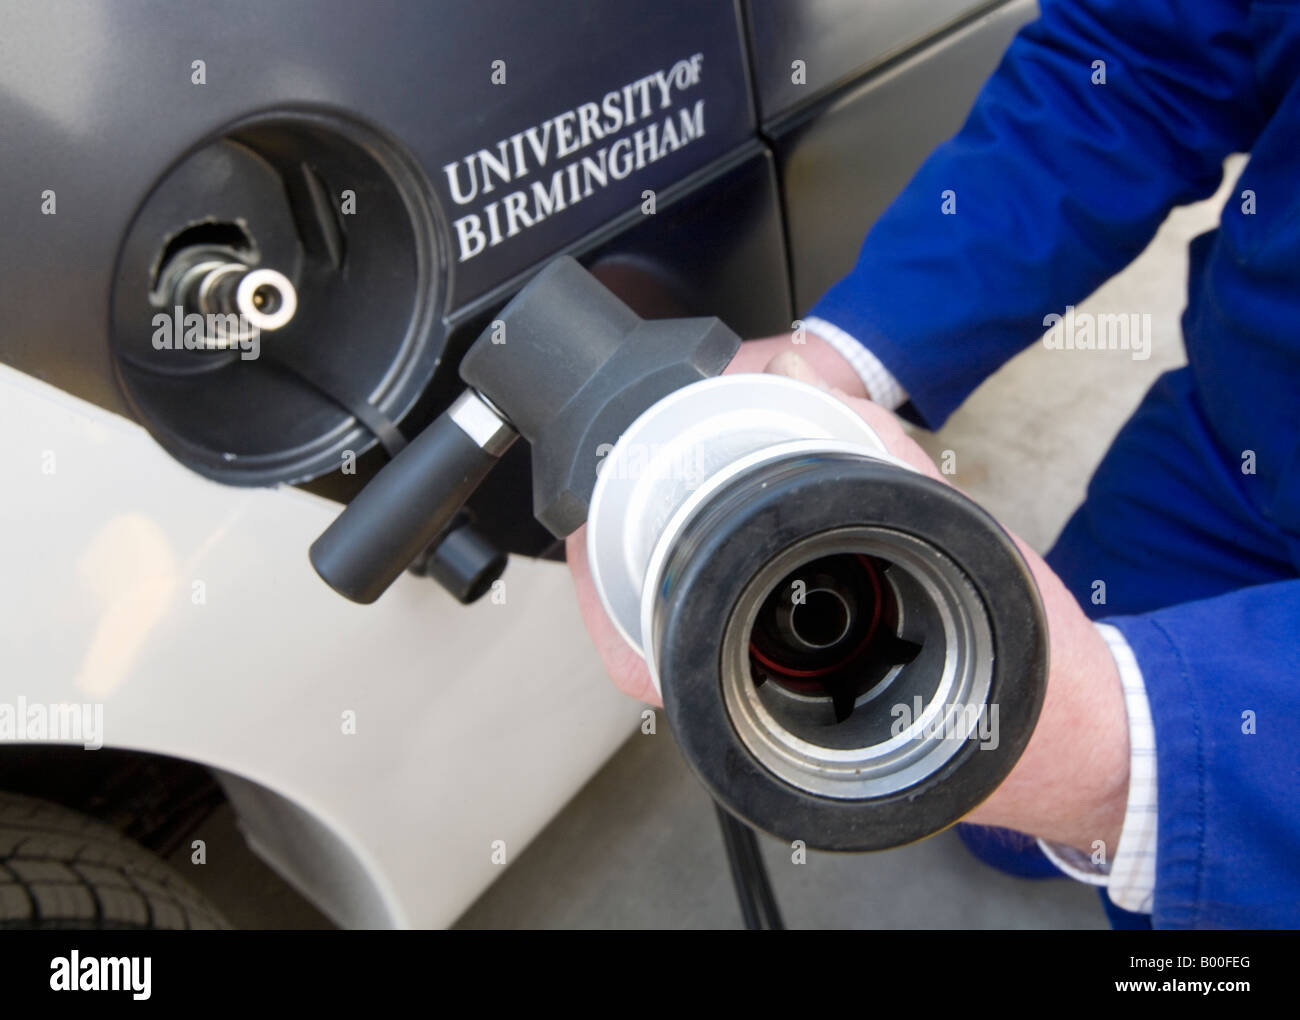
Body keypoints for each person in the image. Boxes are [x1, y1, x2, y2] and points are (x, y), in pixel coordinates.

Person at [567, 0, 1300, 929]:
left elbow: (1144, 770)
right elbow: (1139, 63)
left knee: (1185, 870)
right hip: (1247, 438)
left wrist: (1134, 763)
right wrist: (841, 356)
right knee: (1000, 814)